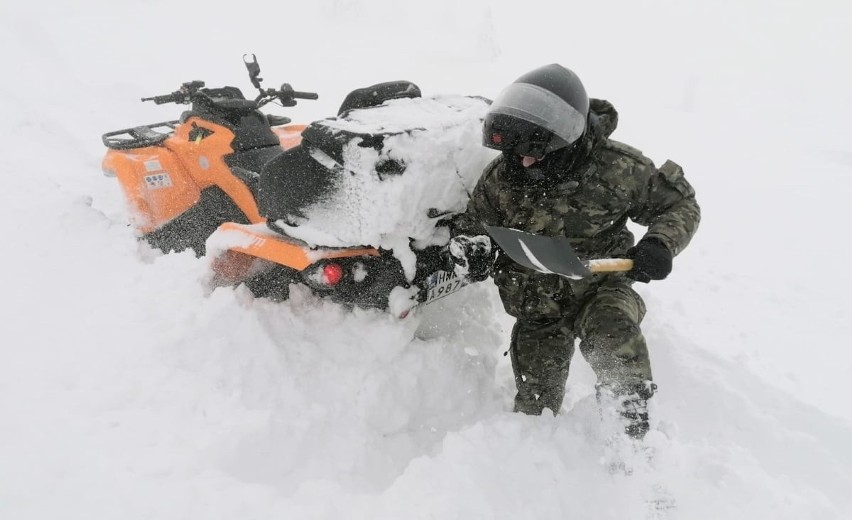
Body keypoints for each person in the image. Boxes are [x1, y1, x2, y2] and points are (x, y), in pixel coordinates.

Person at [447, 64, 700, 438]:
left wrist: (660, 244)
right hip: (536, 307)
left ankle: (631, 438)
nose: (524, 162)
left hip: (601, 288)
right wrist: (474, 251)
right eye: (516, 152)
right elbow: (471, 229)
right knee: (535, 412)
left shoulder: (618, 169)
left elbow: (679, 205)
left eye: (536, 151)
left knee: (614, 335)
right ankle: (541, 465)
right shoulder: (504, 177)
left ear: (564, 139)